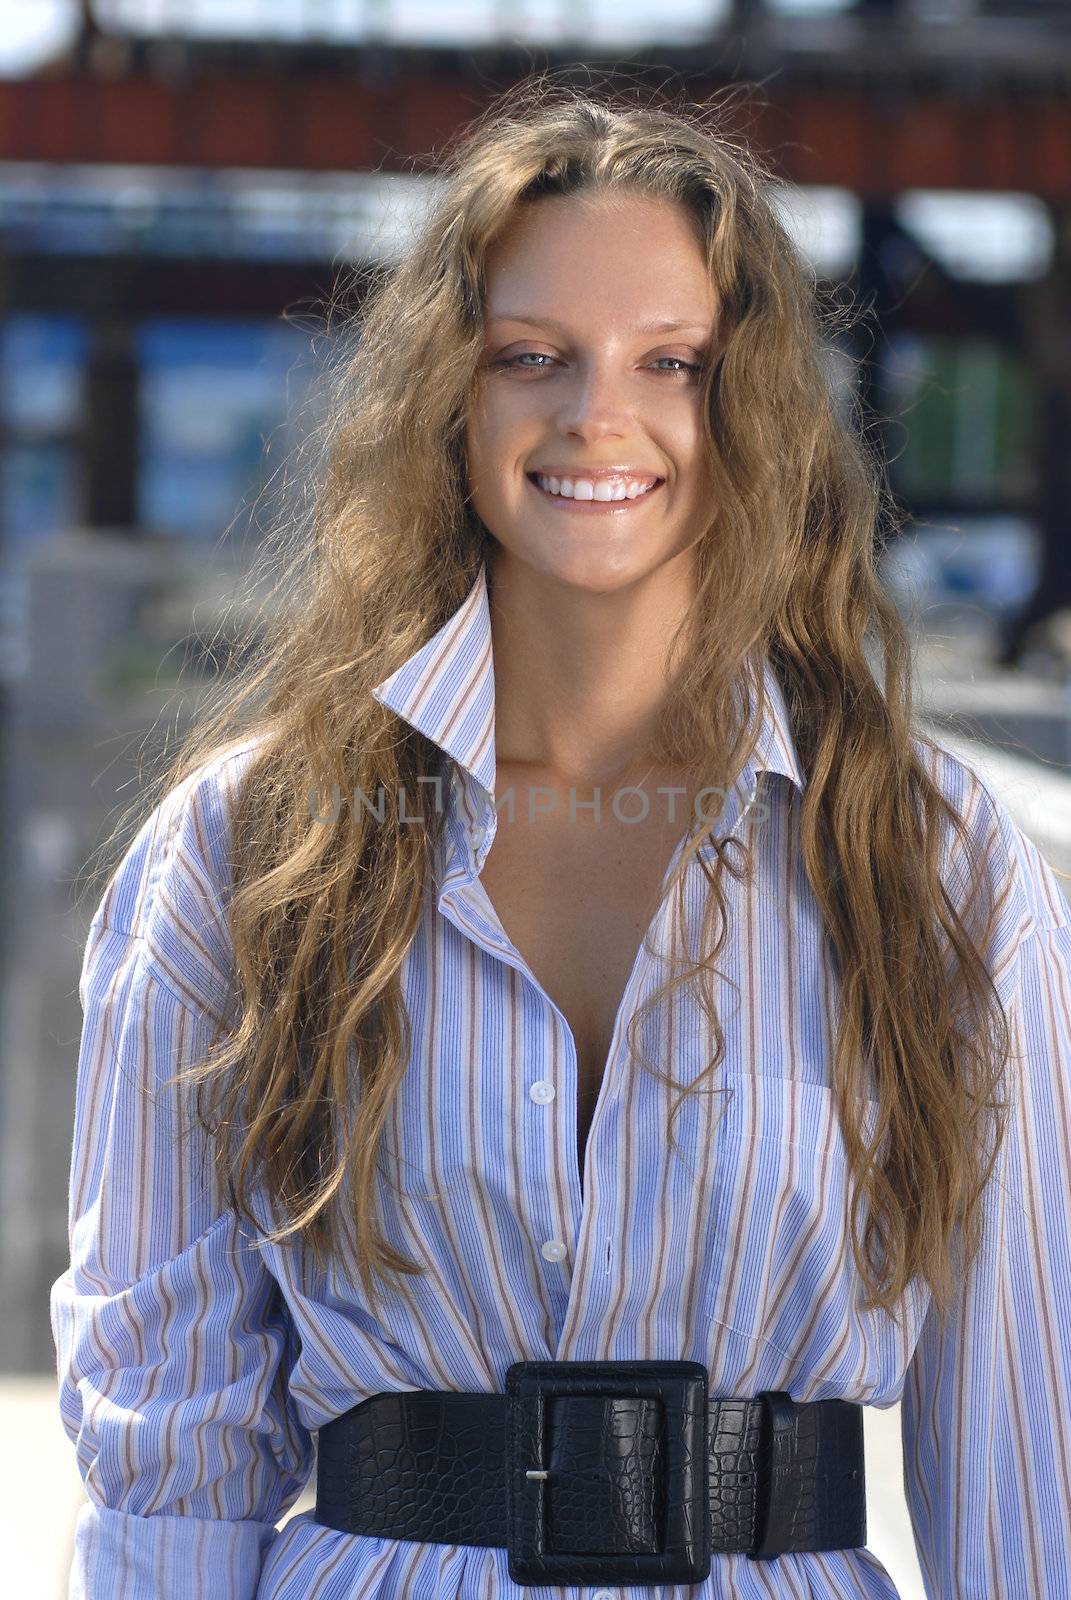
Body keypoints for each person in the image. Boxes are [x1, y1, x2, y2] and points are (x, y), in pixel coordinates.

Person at [51, 76, 1071, 1600]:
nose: (599, 412)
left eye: (673, 362)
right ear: (447, 398)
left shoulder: (936, 858)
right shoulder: (242, 849)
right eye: (533, 356)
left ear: (752, 410)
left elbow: (1027, 1459)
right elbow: (168, 1439)